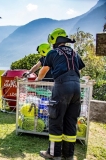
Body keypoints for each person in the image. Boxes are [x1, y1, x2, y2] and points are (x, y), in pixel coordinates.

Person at [37, 28, 85, 160]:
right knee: (70, 121)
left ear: (53, 39)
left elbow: (44, 69)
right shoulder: (75, 53)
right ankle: (68, 154)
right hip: (76, 88)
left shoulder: (53, 52)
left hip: (62, 87)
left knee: (55, 120)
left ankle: (54, 153)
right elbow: (78, 68)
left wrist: (37, 79)